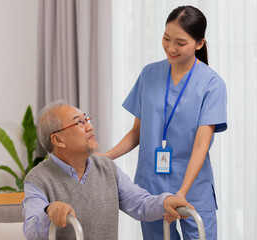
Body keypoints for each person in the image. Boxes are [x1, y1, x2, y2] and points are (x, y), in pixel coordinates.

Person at [98, 5, 227, 240]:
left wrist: (182, 192)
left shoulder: (212, 85)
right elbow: (137, 132)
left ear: (199, 43)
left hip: (192, 188)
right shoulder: (149, 74)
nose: (171, 47)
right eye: (166, 38)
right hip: (151, 186)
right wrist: (107, 157)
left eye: (180, 42)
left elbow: (201, 145)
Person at [22, 100, 193, 240]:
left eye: (87, 120)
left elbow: (140, 203)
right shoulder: (38, 178)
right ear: (58, 139)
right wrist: (49, 212)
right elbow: (31, 232)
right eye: (79, 123)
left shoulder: (107, 167)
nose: (90, 127)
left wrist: (165, 201)